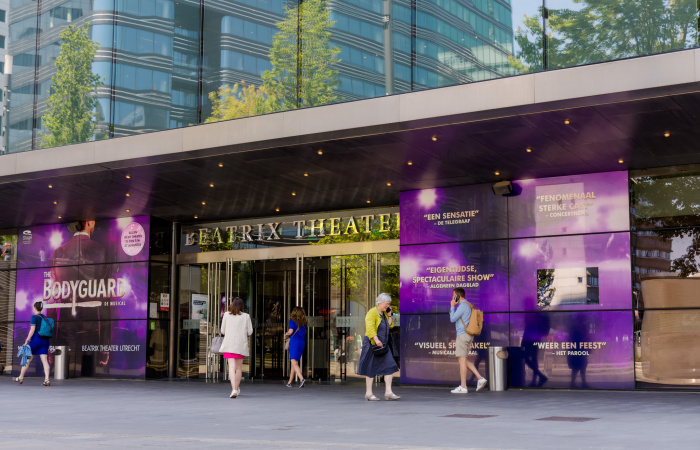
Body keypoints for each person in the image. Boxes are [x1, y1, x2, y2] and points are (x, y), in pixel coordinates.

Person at [357, 293, 400, 401]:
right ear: (380, 303)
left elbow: (390, 325)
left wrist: (389, 314)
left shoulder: (384, 313)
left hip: (383, 344)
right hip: (372, 344)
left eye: (388, 304)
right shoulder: (372, 313)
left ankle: (388, 392)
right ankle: (368, 393)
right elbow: (370, 328)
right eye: (386, 304)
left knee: (390, 365)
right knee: (370, 367)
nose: (388, 306)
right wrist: (376, 340)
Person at [449, 288, 487, 394]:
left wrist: (452, 306)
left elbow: (452, 319)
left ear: (457, 295)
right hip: (468, 335)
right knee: (463, 359)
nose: (452, 297)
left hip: (462, 335)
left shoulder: (463, 306)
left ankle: (463, 386)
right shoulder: (469, 305)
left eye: (453, 295)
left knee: (461, 360)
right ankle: (480, 378)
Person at [219, 297, 253, 398]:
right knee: (238, 368)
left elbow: (222, 331)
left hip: (229, 344)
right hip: (240, 345)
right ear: (242, 306)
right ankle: (236, 389)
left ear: (232, 304)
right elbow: (250, 332)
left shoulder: (226, 315)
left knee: (231, 367)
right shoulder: (246, 316)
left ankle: (234, 389)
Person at [13, 302, 52, 386]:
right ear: (41, 309)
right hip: (45, 340)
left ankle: (20, 377)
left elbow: (32, 329)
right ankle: (47, 380)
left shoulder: (34, 317)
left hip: (36, 340)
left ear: (34, 308)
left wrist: (27, 340)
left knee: (27, 359)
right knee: (45, 361)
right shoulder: (45, 317)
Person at [285, 306, 308, 388]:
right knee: (294, 363)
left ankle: (302, 379)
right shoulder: (304, 323)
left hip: (294, 342)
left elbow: (290, 331)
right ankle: (289, 382)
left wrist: (286, 334)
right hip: (301, 342)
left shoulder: (292, 321)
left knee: (294, 362)